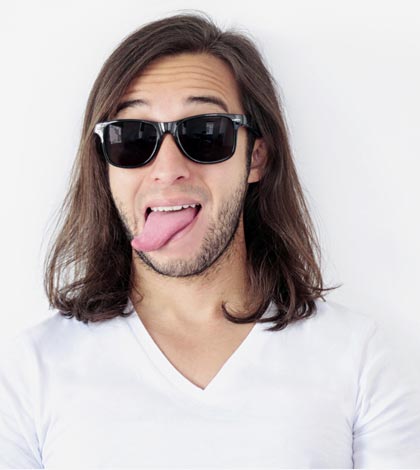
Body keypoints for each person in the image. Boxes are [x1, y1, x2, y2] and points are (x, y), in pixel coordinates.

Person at [1, 11, 419, 469]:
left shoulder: (356, 358)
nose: (168, 169)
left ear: (255, 158)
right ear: (105, 166)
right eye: (132, 137)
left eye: (205, 133)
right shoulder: (30, 371)